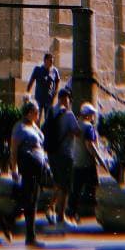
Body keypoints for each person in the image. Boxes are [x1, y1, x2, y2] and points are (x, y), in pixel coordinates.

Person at [8, 97, 51, 247]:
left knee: (31, 200)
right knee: (30, 201)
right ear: (27, 113)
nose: (38, 114)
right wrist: (14, 169)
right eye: (35, 111)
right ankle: (30, 237)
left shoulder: (34, 126)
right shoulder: (19, 128)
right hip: (28, 166)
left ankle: (9, 220)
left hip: (38, 167)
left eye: (38, 111)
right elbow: (13, 151)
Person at [43, 86, 79, 229]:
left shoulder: (51, 111)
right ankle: (61, 217)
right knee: (65, 186)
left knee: (58, 183)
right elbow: (77, 132)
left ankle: (50, 207)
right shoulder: (69, 115)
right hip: (65, 153)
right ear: (67, 99)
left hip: (52, 152)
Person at [67, 101, 108, 223]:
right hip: (87, 162)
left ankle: (72, 214)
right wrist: (100, 160)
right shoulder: (88, 127)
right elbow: (90, 146)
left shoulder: (77, 125)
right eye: (93, 114)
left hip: (77, 161)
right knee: (95, 187)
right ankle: (98, 212)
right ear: (89, 115)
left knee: (76, 190)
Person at [26, 52, 61, 122]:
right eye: (50, 61)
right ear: (45, 60)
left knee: (48, 119)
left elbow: (57, 82)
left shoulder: (54, 71)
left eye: (52, 61)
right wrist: (27, 96)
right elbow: (30, 83)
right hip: (39, 99)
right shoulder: (38, 69)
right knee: (36, 119)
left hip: (49, 99)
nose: (51, 63)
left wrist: (55, 94)